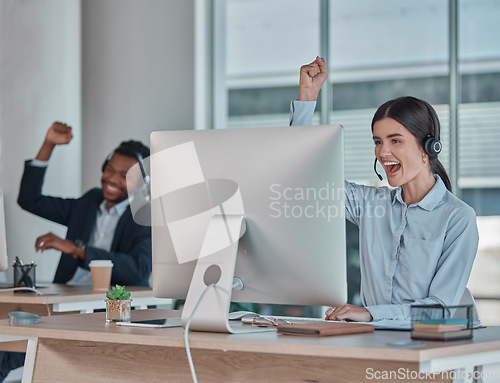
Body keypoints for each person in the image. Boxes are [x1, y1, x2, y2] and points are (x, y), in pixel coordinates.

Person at [291, 57, 479, 322]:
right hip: (375, 340)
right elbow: (305, 179)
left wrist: (370, 314)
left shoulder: (458, 218)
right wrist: (307, 97)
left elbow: (440, 308)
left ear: (429, 147)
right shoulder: (370, 204)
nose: (383, 152)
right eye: (378, 142)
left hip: (433, 347)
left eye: (396, 141)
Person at [17, 121, 152, 287]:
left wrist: (78, 250)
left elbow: (139, 269)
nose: (112, 179)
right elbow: (30, 200)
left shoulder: (145, 215)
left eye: (125, 176)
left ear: (141, 184)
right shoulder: (90, 202)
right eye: (109, 170)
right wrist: (49, 144)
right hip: (67, 295)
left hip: (113, 304)